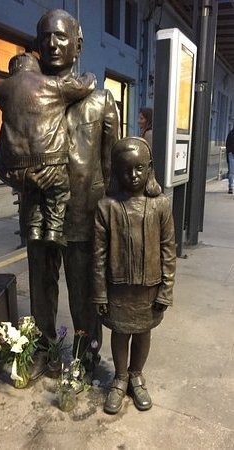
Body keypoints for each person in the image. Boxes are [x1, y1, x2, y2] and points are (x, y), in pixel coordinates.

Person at [0, 9, 119, 380]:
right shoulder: (22, 97)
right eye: (45, 36)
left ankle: (84, 356)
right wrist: (27, 177)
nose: (52, 43)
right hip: (37, 210)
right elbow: (2, 160)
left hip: (83, 214)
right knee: (41, 290)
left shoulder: (100, 101)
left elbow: (111, 168)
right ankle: (44, 352)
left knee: (83, 294)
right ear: (36, 45)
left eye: (62, 36)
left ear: (77, 45)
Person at [92, 137, 176, 414]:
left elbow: (168, 250)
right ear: (115, 171)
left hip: (150, 288)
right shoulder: (107, 207)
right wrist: (100, 291)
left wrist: (166, 288)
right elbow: (99, 255)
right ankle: (120, 377)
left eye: (140, 168)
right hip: (117, 288)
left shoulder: (160, 205)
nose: (134, 175)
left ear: (150, 167)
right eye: (126, 169)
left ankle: (136, 375)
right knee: (120, 331)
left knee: (143, 331)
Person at [0, 52, 96, 246]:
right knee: (58, 193)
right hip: (52, 160)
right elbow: (82, 87)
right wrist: (90, 76)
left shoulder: (2, 92)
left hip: (19, 164)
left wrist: (21, 178)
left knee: (33, 195)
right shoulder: (51, 84)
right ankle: (54, 231)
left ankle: (34, 228)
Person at [225, 126, 234, 194]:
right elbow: (227, 145)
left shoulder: (230, 133)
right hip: (231, 154)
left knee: (231, 171)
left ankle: (230, 187)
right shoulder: (231, 134)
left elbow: (227, 145)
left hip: (231, 154)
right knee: (231, 172)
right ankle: (230, 187)